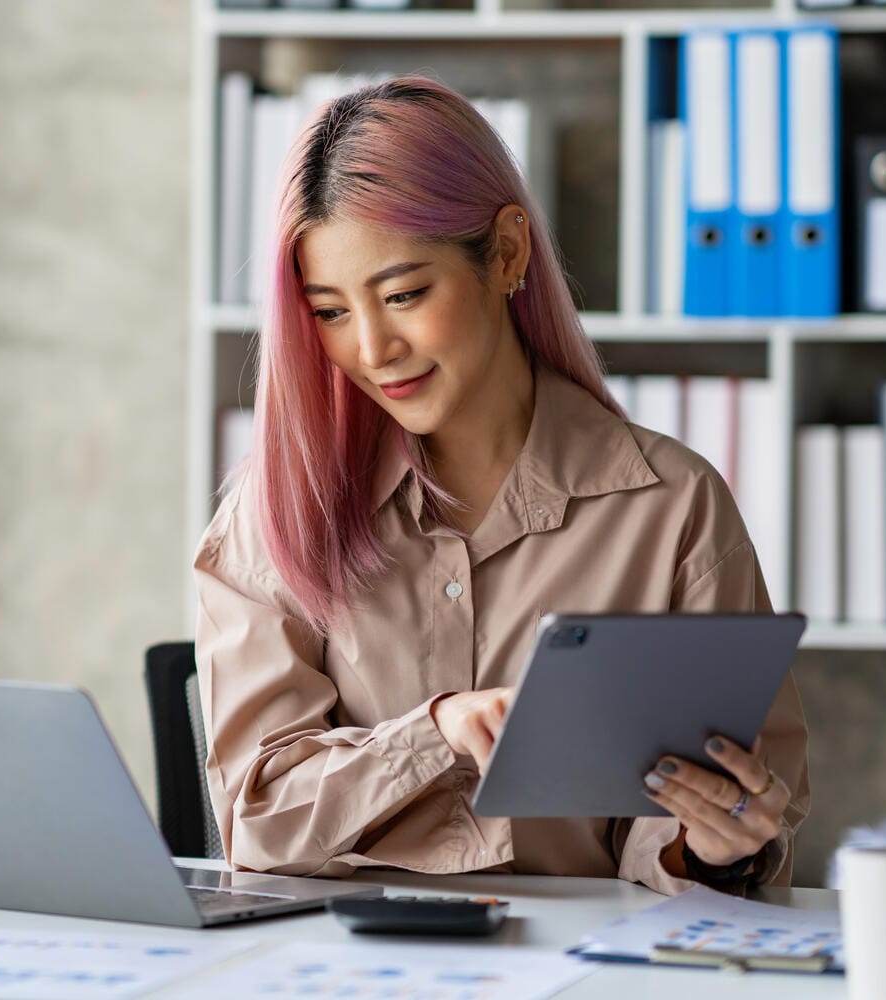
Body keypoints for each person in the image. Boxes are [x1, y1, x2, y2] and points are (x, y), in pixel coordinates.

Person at [192, 76, 808, 895]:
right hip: (343, 955)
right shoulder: (271, 516)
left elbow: (703, 826)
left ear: (508, 253)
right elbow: (257, 820)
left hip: (581, 957)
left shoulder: (672, 509)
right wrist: (435, 733)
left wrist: (715, 846)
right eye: (331, 312)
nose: (372, 349)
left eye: (405, 294)